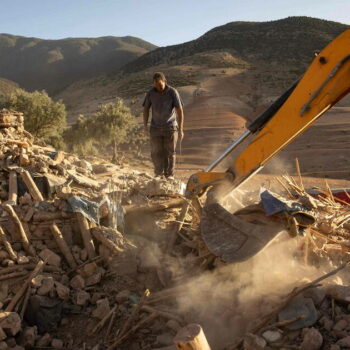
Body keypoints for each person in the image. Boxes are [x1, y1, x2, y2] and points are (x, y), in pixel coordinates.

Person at [143, 72, 184, 179]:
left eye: (160, 85)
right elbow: (146, 109)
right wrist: (145, 126)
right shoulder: (150, 93)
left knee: (170, 152)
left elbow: (180, 111)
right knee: (156, 152)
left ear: (165, 82)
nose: (159, 88)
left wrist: (180, 130)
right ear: (153, 84)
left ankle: (170, 175)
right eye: (156, 86)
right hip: (155, 128)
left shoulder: (173, 92)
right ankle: (158, 174)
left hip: (170, 127)